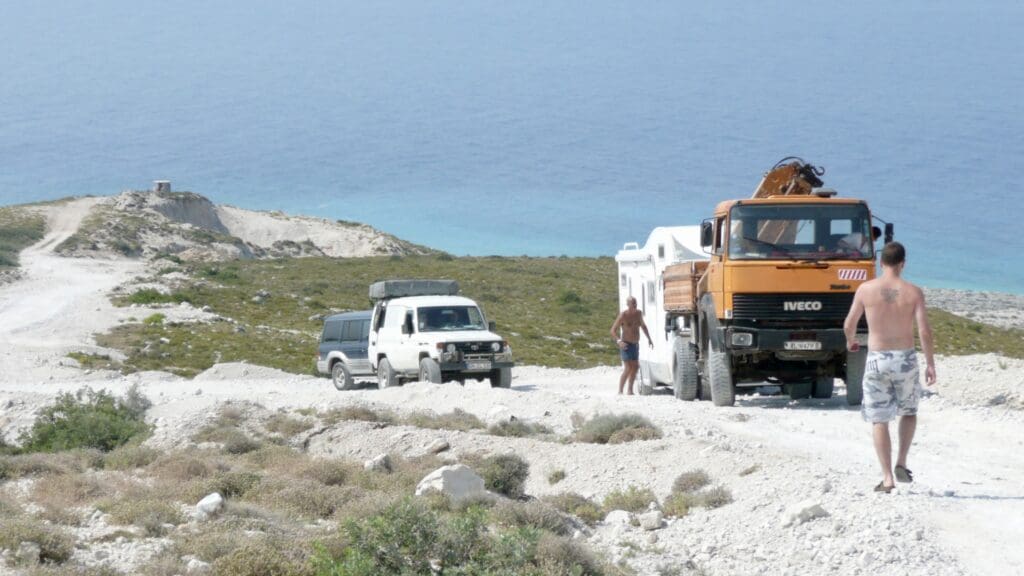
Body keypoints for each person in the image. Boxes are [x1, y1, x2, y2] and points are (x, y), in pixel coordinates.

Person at [843, 242, 936, 493]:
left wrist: (851, 342)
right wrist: (930, 363)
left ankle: (886, 478)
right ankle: (902, 462)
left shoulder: (865, 289)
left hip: (876, 359)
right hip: (905, 358)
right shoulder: (913, 292)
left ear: (880, 262)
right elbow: (925, 332)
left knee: (879, 419)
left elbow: (849, 323)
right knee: (908, 411)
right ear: (903, 263)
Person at [610, 296, 654, 395]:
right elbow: (612, 330)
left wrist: (649, 339)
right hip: (626, 344)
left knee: (635, 367)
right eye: (633, 303)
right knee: (628, 367)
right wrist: (619, 341)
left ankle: (630, 390)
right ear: (628, 304)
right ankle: (620, 390)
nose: (635, 305)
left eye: (635, 303)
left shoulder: (638, 314)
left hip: (635, 344)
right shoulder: (623, 315)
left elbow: (643, 326)